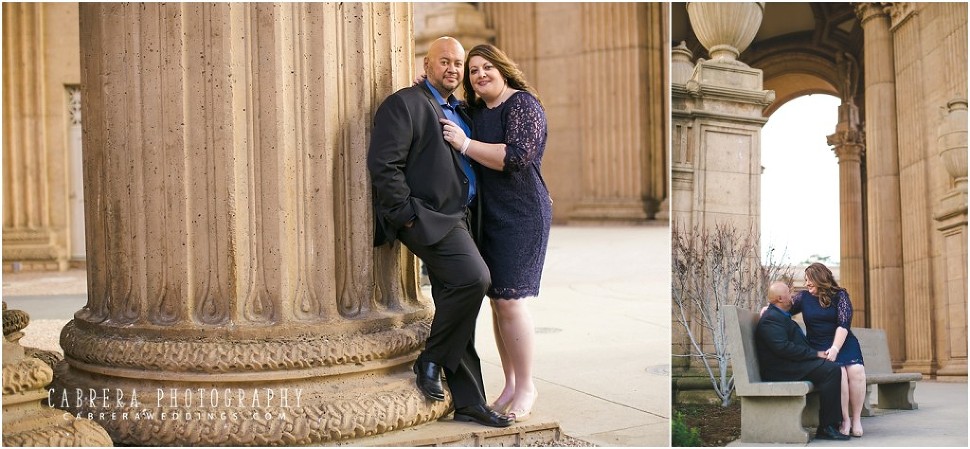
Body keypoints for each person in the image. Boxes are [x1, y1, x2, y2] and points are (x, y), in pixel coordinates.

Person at [367, 36, 513, 428]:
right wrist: (407, 217)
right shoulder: (405, 103)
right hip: (428, 218)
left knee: (456, 301)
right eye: (444, 61)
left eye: (458, 63)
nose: (452, 68)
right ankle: (430, 359)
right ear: (427, 65)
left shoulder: (462, 109)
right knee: (474, 280)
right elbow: (384, 166)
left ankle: (469, 401)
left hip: (463, 219)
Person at [439, 43, 552, 422]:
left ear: (503, 69)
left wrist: (466, 144)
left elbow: (518, 157)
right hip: (489, 215)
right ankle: (509, 383)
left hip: (523, 214)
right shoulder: (475, 111)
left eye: (487, 67)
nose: (480, 74)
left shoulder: (522, 104)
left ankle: (527, 386)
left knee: (511, 301)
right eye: (473, 71)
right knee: (497, 300)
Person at [756, 281, 850, 441]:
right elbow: (783, 348)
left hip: (789, 365)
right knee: (831, 370)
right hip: (780, 370)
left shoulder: (780, 316)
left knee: (832, 368)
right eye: (788, 292)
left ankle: (830, 424)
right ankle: (827, 427)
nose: (792, 295)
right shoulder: (771, 319)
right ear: (780, 298)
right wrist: (815, 354)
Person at [792, 263, 867, 437]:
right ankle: (844, 420)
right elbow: (784, 308)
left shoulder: (840, 295)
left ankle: (856, 419)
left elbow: (843, 324)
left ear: (820, 279)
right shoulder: (803, 297)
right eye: (805, 282)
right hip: (819, 344)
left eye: (810, 281)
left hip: (843, 342)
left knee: (856, 371)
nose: (807, 285)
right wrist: (769, 307)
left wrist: (835, 348)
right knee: (839, 374)